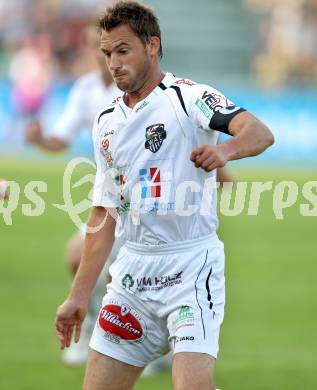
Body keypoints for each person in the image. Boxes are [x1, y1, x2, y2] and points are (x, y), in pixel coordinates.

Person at [55, 2, 274, 389]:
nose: (113, 63)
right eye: (107, 53)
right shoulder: (105, 122)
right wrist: (77, 297)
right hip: (132, 278)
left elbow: (258, 132)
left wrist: (223, 151)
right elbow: (103, 216)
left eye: (123, 51)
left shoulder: (189, 98)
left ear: (152, 46)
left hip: (191, 270)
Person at [25, 26, 122, 366]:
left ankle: (153, 343)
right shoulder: (86, 90)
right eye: (99, 49)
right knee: (77, 257)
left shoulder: (140, 88)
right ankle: (94, 328)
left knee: (121, 275)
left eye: (113, 49)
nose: (104, 57)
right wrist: (40, 140)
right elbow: (61, 138)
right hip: (109, 198)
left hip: (142, 201)